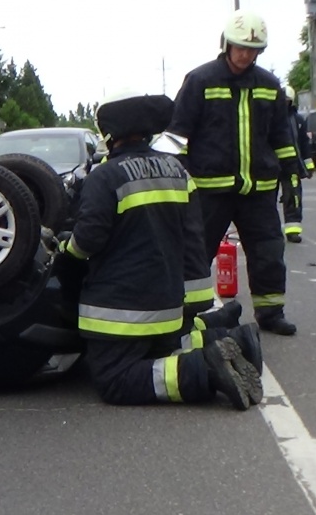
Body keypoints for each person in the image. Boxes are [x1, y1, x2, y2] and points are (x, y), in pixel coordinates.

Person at [57, 92, 263, 410]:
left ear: (110, 136)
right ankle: (234, 339)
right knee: (159, 348)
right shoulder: (177, 171)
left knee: (115, 378)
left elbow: (88, 240)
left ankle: (205, 370)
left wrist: (65, 251)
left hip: (120, 314)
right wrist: (195, 300)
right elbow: (195, 236)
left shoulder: (105, 176)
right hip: (169, 305)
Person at [161, 9, 302, 336]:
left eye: (253, 50)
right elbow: (177, 134)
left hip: (258, 190)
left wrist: (291, 173)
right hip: (209, 190)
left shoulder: (269, 85)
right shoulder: (200, 80)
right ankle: (183, 313)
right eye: (240, 47)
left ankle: (270, 311)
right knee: (196, 254)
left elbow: (282, 135)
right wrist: (178, 176)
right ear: (226, 44)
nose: (245, 54)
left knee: (268, 252)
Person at [280, 85, 315, 243]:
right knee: (265, 201)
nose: (284, 103)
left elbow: (304, 144)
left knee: (293, 197)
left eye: (287, 101)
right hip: (270, 166)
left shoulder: (298, 120)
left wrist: (309, 165)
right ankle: (269, 231)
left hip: (292, 165)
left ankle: (292, 230)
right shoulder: (268, 117)